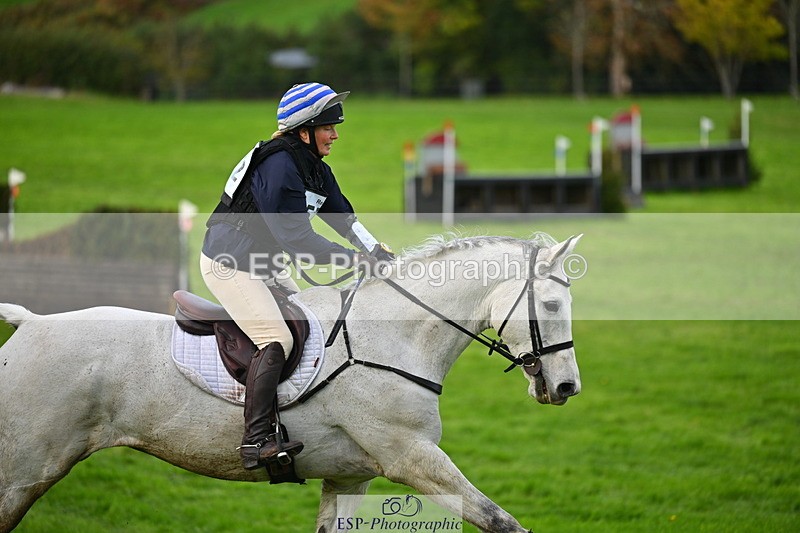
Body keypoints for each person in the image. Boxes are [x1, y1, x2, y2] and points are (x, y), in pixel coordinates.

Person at [200, 82, 394, 470]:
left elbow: (344, 218)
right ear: (304, 131)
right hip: (231, 262)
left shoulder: (314, 168)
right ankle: (256, 440)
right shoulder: (278, 166)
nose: (336, 135)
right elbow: (298, 240)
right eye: (328, 128)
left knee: (314, 324)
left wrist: (377, 252)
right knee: (277, 338)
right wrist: (356, 261)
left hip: (263, 264)